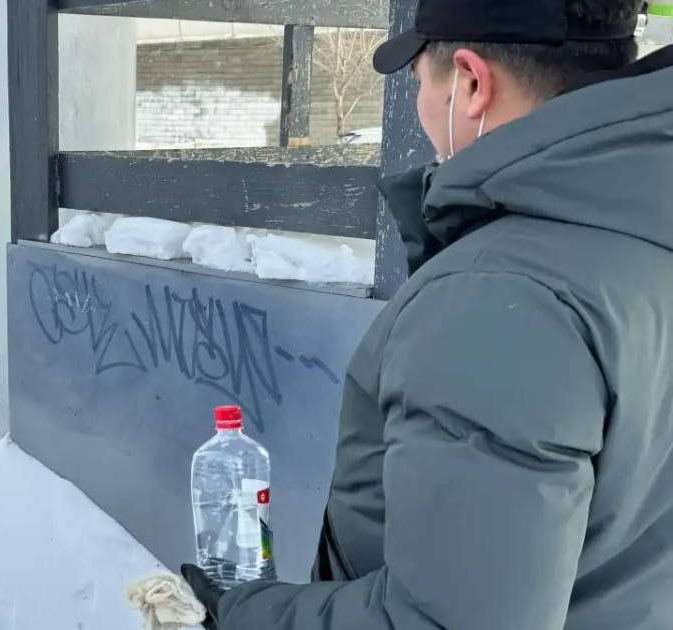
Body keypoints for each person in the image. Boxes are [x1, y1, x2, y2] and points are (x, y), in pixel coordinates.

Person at [181, 1, 673, 628]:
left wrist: (246, 613)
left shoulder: (500, 297)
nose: (421, 105)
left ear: (469, 83)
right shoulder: (641, 229)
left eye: (420, 81)